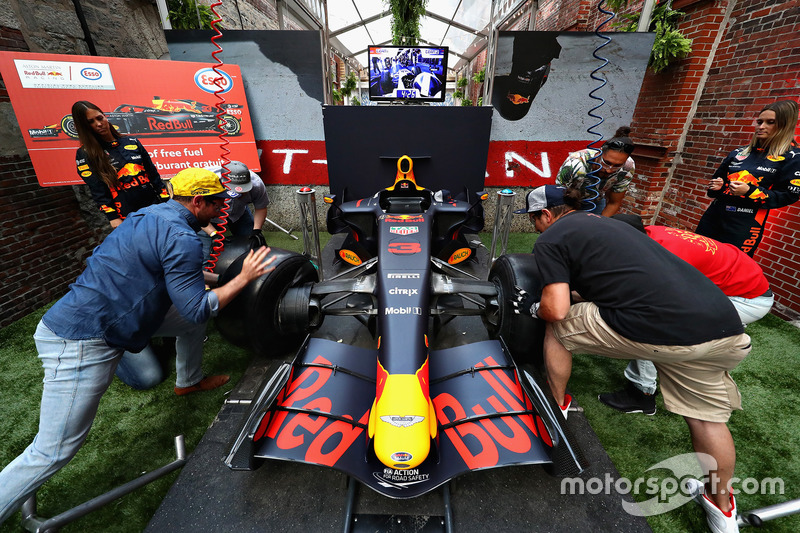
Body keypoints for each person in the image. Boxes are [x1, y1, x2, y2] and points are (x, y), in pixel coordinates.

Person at [0, 168, 277, 525]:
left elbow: (183, 280)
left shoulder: (147, 214)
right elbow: (196, 304)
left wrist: (226, 278)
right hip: (85, 338)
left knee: (192, 324)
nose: (224, 207)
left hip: (116, 311)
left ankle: (187, 381)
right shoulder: (184, 238)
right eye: (218, 202)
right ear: (197, 202)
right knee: (53, 450)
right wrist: (243, 279)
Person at [521, 185, 751, 533]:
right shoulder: (613, 225)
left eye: (535, 220)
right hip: (725, 328)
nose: (537, 228)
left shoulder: (552, 237)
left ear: (545, 215)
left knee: (558, 326)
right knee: (706, 421)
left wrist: (537, 308)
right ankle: (722, 511)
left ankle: (555, 408)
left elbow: (556, 308)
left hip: (662, 331)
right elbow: (616, 284)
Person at [598, 215, 773, 415]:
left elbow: (654, 297)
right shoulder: (650, 233)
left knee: (650, 323)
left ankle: (641, 394)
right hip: (737, 285)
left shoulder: (661, 256)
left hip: (746, 299)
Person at [696, 100, 800, 256]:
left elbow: (788, 196)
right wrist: (717, 186)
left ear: (784, 125)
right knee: (696, 256)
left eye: (770, 122)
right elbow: (715, 186)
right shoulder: (739, 152)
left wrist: (749, 191)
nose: (761, 126)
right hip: (715, 214)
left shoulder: (793, 157)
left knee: (729, 267)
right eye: (759, 121)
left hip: (745, 221)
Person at [72, 100, 168, 228]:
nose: (99, 124)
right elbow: (97, 190)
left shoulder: (132, 141)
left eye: (100, 118)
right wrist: (113, 218)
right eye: (91, 122)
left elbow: (153, 174)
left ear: (105, 116)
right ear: (85, 127)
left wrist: (166, 200)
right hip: (127, 216)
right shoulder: (85, 154)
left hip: (155, 206)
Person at [198, 161, 270, 263]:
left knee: (255, 245)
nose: (239, 194)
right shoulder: (206, 184)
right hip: (207, 219)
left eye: (243, 191)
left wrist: (257, 230)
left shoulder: (257, 184)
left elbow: (261, 207)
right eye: (235, 192)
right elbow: (197, 214)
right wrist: (213, 233)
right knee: (205, 255)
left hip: (239, 214)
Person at [555, 127, 636, 216]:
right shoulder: (575, 163)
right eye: (606, 162)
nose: (609, 170)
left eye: (617, 166)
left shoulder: (627, 168)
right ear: (600, 152)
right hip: (568, 202)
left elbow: (614, 203)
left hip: (596, 202)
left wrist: (599, 224)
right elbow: (558, 197)